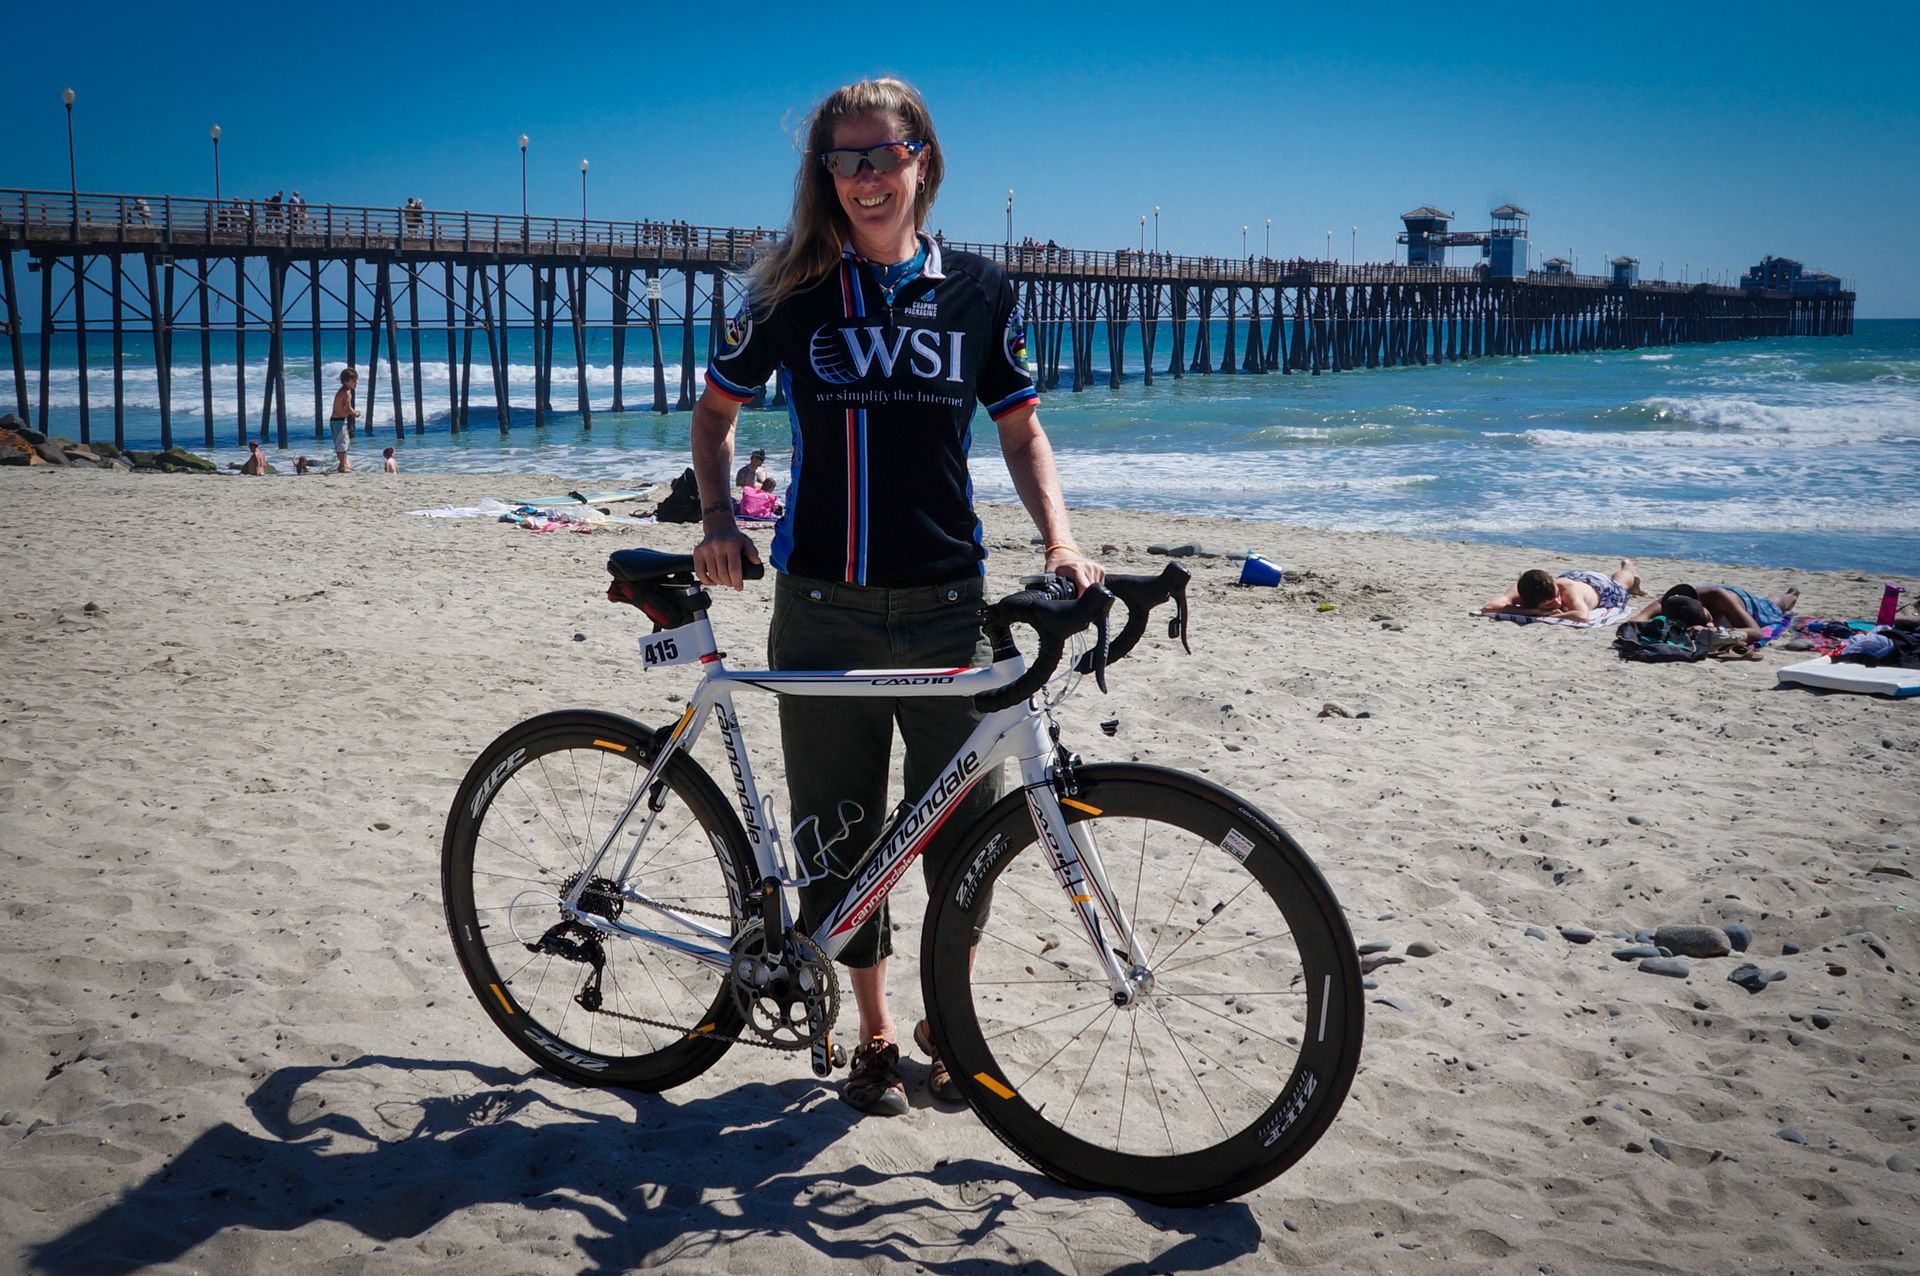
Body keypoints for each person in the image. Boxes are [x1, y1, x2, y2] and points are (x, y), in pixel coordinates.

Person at [691, 77, 1103, 1118]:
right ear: (824, 175)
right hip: (821, 606)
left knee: (969, 837)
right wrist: (719, 520)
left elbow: (1021, 428)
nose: (865, 177)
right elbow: (715, 414)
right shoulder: (789, 291)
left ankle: (946, 1024)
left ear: (924, 159)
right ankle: (875, 1034)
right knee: (841, 836)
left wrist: (1060, 539)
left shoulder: (980, 290)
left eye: (883, 154)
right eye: (844, 160)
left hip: (947, 606)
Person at [1627, 582, 1800, 643]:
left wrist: (1714, 631)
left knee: (1774, 605)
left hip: (1742, 601)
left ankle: (1792, 595)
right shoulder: (1674, 607)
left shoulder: (1713, 596)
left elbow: (1756, 633)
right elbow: (1634, 622)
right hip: (1723, 599)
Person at [1481, 559, 1643, 621]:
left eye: (1557, 596)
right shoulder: (1522, 589)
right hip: (1575, 579)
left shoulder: (1568, 592)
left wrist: (1552, 614)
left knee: (1621, 583)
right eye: (1549, 604)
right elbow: (1489, 607)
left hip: (1601, 588)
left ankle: (1628, 567)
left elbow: (1582, 616)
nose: (1558, 603)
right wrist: (1536, 612)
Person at [328, 368, 360, 472]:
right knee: (343, 444)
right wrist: (355, 413)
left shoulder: (345, 391)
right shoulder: (345, 392)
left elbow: (345, 408)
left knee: (342, 443)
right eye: (353, 381)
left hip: (337, 420)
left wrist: (352, 412)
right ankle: (342, 466)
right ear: (346, 382)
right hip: (338, 421)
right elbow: (348, 408)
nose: (356, 383)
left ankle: (342, 465)